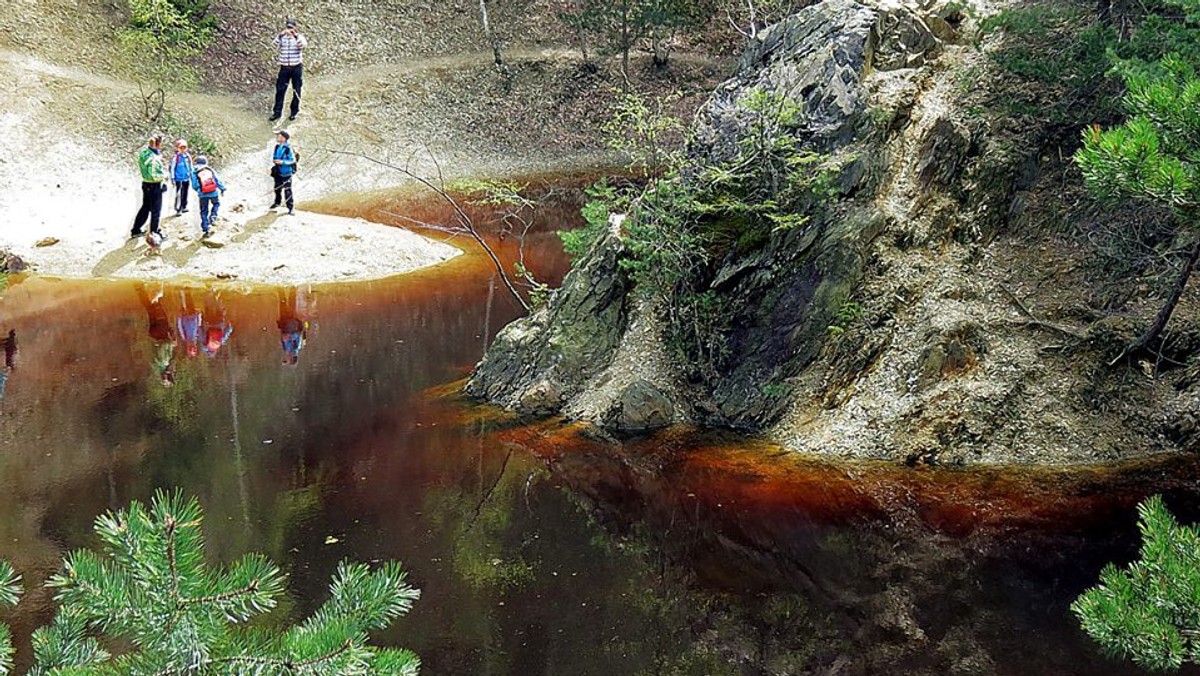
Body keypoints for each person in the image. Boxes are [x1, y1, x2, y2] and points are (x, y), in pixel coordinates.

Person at [132, 134, 168, 240]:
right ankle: (154, 232)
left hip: (145, 183)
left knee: (145, 207)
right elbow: (153, 175)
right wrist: (163, 177)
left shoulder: (144, 153)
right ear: (158, 144)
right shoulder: (153, 158)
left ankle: (136, 230)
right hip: (155, 185)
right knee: (156, 210)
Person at [270, 18, 307, 122]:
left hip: (296, 67)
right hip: (284, 67)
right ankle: (277, 113)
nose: (289, 29)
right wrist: (280, 35)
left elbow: (303, 45)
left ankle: (294, 112)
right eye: (288, 27)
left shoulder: (299, 37)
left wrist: (295, 36)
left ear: (295, 28)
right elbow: (273, 45)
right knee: (280, 90)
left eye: (291, 27)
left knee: (296, 90)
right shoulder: (282, 37)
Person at [190, 156, 226, 237]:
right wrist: (223, 189)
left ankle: (205, 228)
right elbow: (217, 180)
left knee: (204, 211)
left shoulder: (194, 172)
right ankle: (213, 216)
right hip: (214, 192)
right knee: (216, 204)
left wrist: (200, 191)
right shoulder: (209, 170)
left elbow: (194, 185)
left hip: (203, 194)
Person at [270, 130, 297, 215]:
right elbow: (274, 156)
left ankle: (290, 208)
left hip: (286, 172)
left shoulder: (288, 148)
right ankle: (277, 203)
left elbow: (292, 160)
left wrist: (282, 162)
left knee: (287, 191)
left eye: (278, 135)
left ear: (283, 138)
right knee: (277, 189)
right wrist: (275, 161)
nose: (277, 137)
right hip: (278, 172)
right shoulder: (277, 147)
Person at [201, 290, 233, 358]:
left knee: (220, 310)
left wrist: (229, 327)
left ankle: (217, 298)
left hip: (219, 324)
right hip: (209, 323)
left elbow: (226, 334)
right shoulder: (205, 343)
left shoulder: (218, 344)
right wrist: (201, 324)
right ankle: (208, 293)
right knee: (208, 308)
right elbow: (202, 333)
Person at [170, 139, 193, 215]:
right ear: (178, 148)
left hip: (186, 177)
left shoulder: (187, 156)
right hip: (178, 178)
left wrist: (191, 174)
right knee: (179, 193)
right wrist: (172, 178)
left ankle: (184, 206)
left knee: (185, 192)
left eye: (184, 147)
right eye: (181, 147)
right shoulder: (176, 157)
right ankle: (178, 209)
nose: (183, 149)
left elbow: (190, 166)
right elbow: (172, 168)